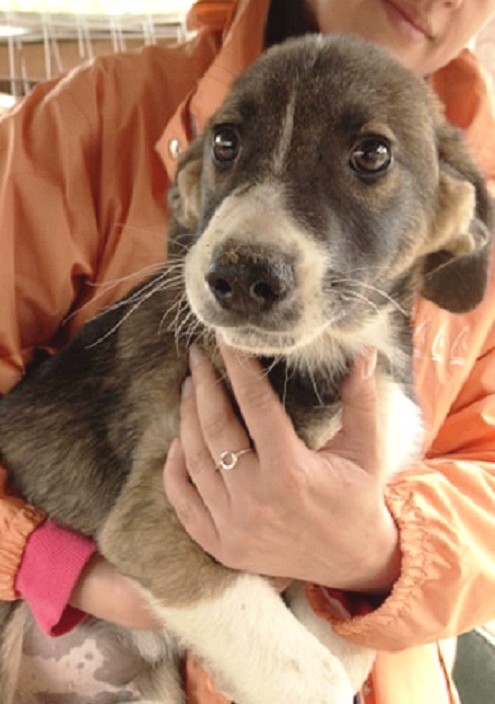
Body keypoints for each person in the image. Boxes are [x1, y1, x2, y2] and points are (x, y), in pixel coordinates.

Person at [0, 0, 494, 702]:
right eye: (228, 146)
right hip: (53, 635)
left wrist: (375, 553)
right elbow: (152, 531)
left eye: (369, 157)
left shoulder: (466, 173)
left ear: (452, 220)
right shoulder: (94, 115)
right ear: (192, 190)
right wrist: (46, 563)